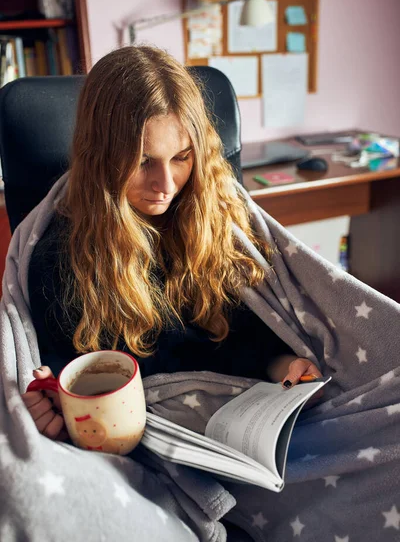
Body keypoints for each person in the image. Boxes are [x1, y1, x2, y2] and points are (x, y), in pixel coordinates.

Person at [21, 45, 322, 441]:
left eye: (181, 157)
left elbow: (251, 340)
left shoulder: (214, 218)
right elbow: (70, 385)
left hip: (238, 424)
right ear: (100, 158)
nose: (165, 186)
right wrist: (53, 408)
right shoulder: (60, 259)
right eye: (143, 161)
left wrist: (287, 367)